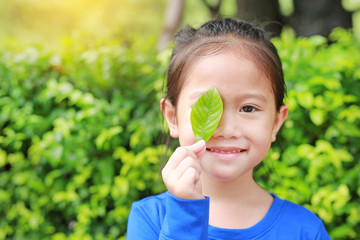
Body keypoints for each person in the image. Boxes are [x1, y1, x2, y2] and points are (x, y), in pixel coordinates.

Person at [127, 18, 331, 239]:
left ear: (275, 122)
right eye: (207, 107)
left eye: (248, 108)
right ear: (172, 116)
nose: (227, 129)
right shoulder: (150, 218)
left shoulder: (306, 230)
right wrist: (184, 211)